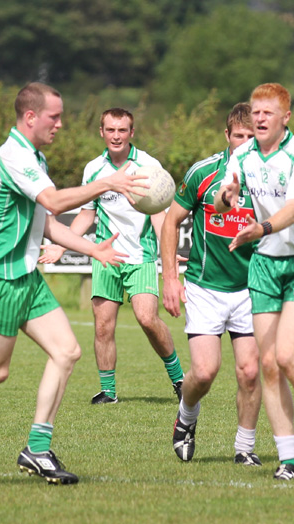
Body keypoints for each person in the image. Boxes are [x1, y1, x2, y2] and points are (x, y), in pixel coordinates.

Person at [0, 83, 150, 487]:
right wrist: (107, 183)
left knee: (67, 351)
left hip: (26, 276)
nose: (60, 123)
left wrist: (94, 249)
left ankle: (37, 448)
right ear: (30, 117)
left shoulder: (34, 156)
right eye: (54, 116)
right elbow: (54, 202)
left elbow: (47, 223)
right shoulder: (14, 156)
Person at [215, 83, 294, 481]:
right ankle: (288, 460)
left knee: (287, 356)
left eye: (268, 112)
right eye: (255, 112)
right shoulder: (242, 154)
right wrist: (226, 196)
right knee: (268, 364)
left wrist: (260, 227)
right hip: (266, 263)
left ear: (286, 117)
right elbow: (222, 201)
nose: (260, 118)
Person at [40, 108, 184, 405]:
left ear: (132, 133)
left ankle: (180, 380)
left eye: (122, 130)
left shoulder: (147, 166)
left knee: (147, 319)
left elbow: (159, 213)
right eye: (110, 130)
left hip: (141, 255)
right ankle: (109, 391)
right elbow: (87, 214)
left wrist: (166, 253)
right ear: (102, 133)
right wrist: (62, 246)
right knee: (103, 325)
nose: (116, 136)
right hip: (106, 256)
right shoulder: (94, 168)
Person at [161, 103, 262, 465]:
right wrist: (170, 278)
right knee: (204, 372)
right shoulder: (204, 173)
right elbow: (170, 222)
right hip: (205, 287)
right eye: (240, 136)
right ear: (227, 136)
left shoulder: (269, 181)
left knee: (250, 372)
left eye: (254, 136)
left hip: (252, 289)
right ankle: (186, 418)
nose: (247, 142)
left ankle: (244, 449)